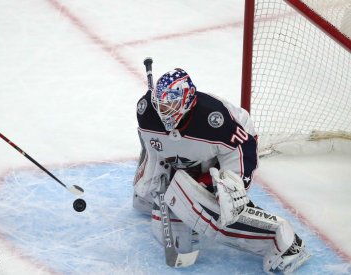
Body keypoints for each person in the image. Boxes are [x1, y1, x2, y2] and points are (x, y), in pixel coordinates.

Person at [132, 68, 311, 273]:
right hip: (189, 158)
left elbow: (243, 145)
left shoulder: (214, 119)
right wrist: (155, 169)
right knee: (160, 210)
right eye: (161, 104)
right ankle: (185, 200)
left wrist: (234, 184)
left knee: (213, 210)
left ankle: (285, 242)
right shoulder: (146, 111)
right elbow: (152, 144)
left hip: (222, 158)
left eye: (171, 104)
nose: (164, 110)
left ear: (188, 99)